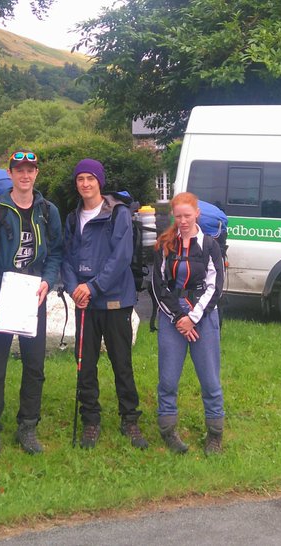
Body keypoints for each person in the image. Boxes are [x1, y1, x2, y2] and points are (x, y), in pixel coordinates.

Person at [0, 149, 63, 467]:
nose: (25, 175)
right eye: (19, 170)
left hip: (31, 294)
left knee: (34, 366)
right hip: (2, 295)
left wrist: (47, 281)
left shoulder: (48, 211)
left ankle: (27, 428)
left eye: (31, 169)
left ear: (37, 173)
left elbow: (56, 253)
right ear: (10, 174)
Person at [60, 158, 148, 449]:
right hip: (84, 303)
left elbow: (121, 257)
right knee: (85, 365)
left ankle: (130, 420)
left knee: (121, 363)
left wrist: (93, 287)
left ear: (100, 181)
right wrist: (75, 288)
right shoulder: (73, 218)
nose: (85, 184)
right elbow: (66, 258)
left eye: (90, 178)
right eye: (80, 179)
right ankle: (91, 420)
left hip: (113, 301)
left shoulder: (118, 213)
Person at [152, 192, 226, 455]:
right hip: (173, 317)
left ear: (197, 214)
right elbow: (158, 286)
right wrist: (178, 318)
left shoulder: (209, 246)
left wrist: (192, 319)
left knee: (210, 380)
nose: (182, 221)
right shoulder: (165, 245)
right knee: (168, 379)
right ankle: (168, 430)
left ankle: (215, 435)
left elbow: (215, 286)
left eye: (187, 215)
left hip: (203, 318)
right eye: (178, 216)